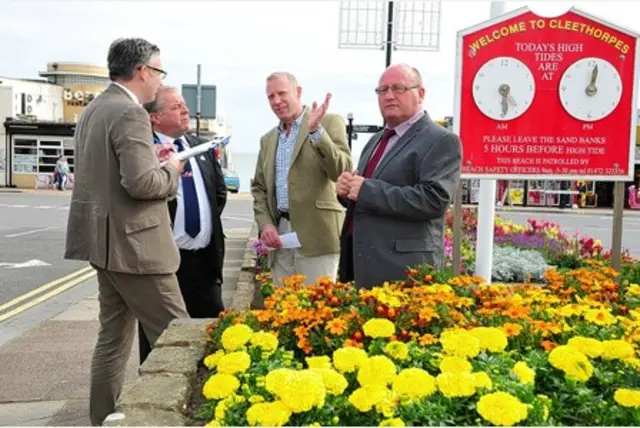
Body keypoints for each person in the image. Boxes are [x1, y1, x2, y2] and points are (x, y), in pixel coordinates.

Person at [63, 38, 189, 426]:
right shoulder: (130, 113)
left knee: (112, 340)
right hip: (137, 248)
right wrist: (172, 171)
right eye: (159, 71)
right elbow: (142, 186)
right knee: (182, 339)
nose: (158, 81)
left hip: (103, 244)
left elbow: (107, 176)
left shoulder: (94, 109)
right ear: (143, 71)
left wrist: (152, 160)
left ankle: (103, 418)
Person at [337, 63, 462, 289]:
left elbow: (434, 200)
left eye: (398, 88)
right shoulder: (376, 140)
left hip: (404, 270)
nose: (389, 96)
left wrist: (366, 190)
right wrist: (346, 192)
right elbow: (364, 195)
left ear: (420, 93)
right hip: (363, 266)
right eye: (382, 90)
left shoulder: (441, 140)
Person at [138, 85, 227, 364]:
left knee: (213, 339)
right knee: (160, 341)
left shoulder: (201, 147)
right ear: (155, 117)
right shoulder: (143, 149)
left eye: (184, 105)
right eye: (176, 107)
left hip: (204, 263)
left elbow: (218, 196)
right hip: (165, 264)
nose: (186, 110)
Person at [251, 72, 352, 286]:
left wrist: (316, 132)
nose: (276, 101)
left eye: (282, 93)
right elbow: (259, 188)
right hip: (280, 237)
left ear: (298, 92)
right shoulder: (268, 139)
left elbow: (341, 170)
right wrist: (266, 224)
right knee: (284, 313)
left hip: (317, 237)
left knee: (318, 312)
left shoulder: (329, 122)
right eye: (271, 97)